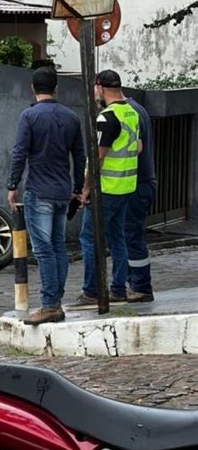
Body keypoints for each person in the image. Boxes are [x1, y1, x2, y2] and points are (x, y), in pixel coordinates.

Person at [7, 67, 86, 325]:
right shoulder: (71, 117)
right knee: (58, 247)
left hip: (39, 190)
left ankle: (50, 304)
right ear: (56, 88)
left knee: (44, 251)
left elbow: (20, 153)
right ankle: (56, 301)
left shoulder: (29, 116)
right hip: (63, 191)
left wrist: (12, 185)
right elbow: (80, 156)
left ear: (33, 88)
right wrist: (77, 188)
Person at [76, 70, 142, 306]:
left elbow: (97, 157)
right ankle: (118, 289)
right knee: (118, 238)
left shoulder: (107, 117)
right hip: (126, 186)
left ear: (100, 88)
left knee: (90, 238)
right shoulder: (131, 113)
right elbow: (138, 147)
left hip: (106, 189)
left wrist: (85, 188)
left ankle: (92, 290)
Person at [125, 97, 156, 302]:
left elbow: (136, 147)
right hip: (141, 183)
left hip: (135, 185)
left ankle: (141, 287)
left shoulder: (127, 112)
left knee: (131, 235)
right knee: (129, 235)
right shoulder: (138, 109)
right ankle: (133, 285)